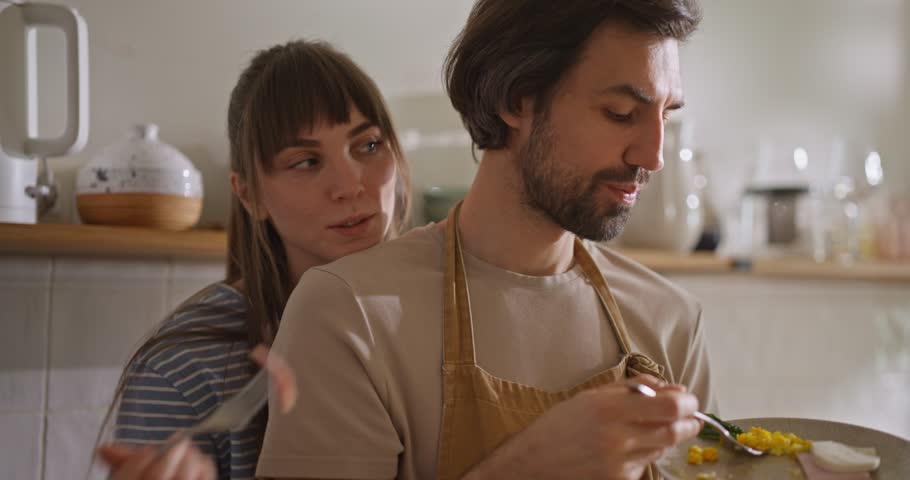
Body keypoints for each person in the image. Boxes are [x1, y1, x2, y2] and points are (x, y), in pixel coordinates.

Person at [256, 1, 715, 480]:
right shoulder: (347, 315)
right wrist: (529, 467)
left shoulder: (672, 323)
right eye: (621, 113)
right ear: (516, 101)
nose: (654, 155)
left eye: (667, 114)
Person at [94, 39, 412, 480]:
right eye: (305, 161)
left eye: (369, 146)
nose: (349, 185)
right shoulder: (186, 365)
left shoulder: (441, 315)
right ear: (249, 194)